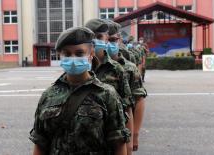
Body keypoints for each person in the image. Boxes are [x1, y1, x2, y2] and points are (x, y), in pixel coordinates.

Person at [29, 27, 130, 155]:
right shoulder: (48, 95)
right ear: (60, 55)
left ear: (91, 54)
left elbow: (119, 143)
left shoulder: (106, 94)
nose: (73, 58)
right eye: (67, 53)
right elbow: (40, 142)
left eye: (79, 53)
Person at [85, 19, 134, 155]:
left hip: (110, 139)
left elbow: (128, 107)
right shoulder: (80, 68)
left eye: (101, 37)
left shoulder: (117, 69)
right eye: (94, 37)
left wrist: (130, 141)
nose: (97, 41)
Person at [106, 20, 147, 152]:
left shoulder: (127, 65)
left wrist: (134, 135)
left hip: (121, 132)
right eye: (104, 39)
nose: (108, 43)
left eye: (113, 39)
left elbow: (136, 101)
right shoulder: (88, 67)